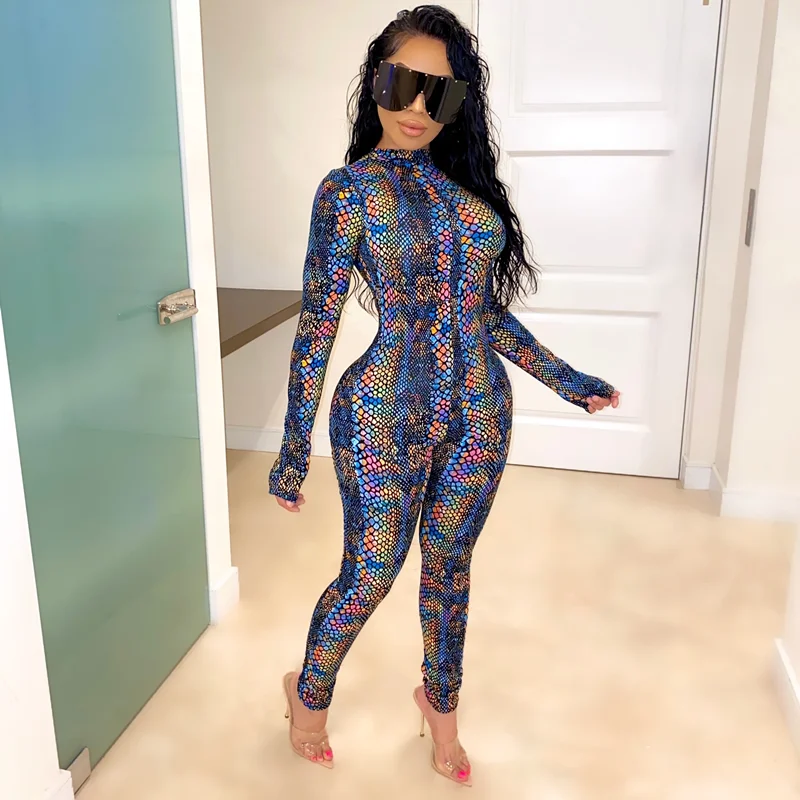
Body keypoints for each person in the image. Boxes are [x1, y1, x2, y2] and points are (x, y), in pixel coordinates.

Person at [269, 4, 620, 785]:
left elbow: (480, 316)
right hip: (379, 415)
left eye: (442, 93)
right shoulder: (348, 193)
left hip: (480, 416)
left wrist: (568, 381)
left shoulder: (466, 198)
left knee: (450, 568)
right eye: (404, 83)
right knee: (371, 572)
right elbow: (318, 324)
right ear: (376, 81)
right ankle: (308, 694)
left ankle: (441, 706)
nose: (419, 107)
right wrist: (293, 448)